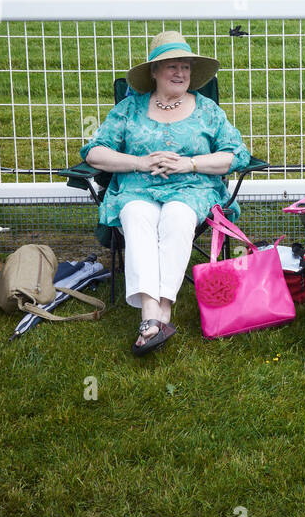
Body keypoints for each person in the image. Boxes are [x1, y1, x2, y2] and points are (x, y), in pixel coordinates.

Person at [81, 32, 249, 356]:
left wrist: (189, 164)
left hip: (192, 188)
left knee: (177, 216)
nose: (180, 73)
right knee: (136, 215)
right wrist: (140, 162)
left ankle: (164, 310)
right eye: (172, 66)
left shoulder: (207, 110)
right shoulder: (130, 109)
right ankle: (150, 314)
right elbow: (95, 153)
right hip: (137, 187)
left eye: (185, 67)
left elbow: (235, 155)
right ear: (154, 72)